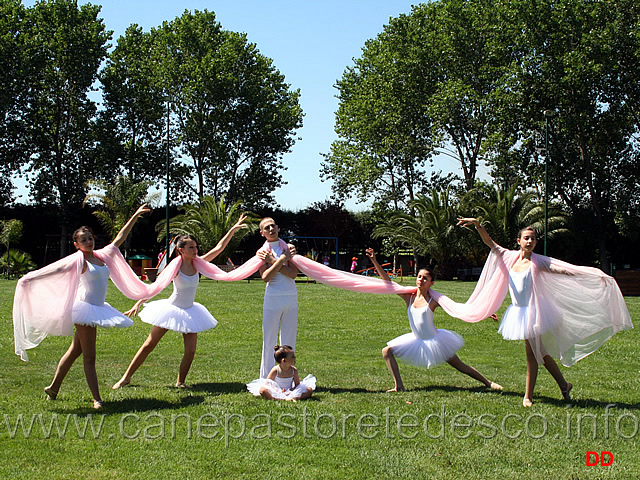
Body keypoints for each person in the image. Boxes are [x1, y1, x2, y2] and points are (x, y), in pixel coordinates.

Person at [456, 217, 633, 407]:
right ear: (519, 241)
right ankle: (565, 385)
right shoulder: (509, 257)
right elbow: (490, 243)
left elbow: (564, 270)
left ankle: (528, 396)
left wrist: (594, 274)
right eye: (526, 238)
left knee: (532, 354)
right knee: (541, 353)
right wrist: (477, 224)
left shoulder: (539, 262)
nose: (530, 241)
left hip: (534, 313)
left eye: (533, 238)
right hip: (518, 313)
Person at [12, 205, 151, 409]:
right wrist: (29, 278)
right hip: (85, 310)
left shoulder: (102, 256)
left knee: (75, 351)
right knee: (89, 357)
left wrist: (135, 216)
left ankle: (53, 388)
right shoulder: (79, 261)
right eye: (83, 239)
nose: (88, 241)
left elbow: (120, 238)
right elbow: (55, 269)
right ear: (76, 244)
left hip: (97, 307)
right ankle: (97, 399)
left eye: (90, 237)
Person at [113, 216, 248, 389]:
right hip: (171, 309)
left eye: (196, 247)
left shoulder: (199, 263)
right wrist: (139, 302)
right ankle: (126, 377)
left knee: (190, 351)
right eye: (191, 247)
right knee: (149, 344)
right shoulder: (175, 267)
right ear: (181, 250)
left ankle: (180, 381)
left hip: (191, 311)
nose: (195, 250)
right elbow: (157, 286)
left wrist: (233, 229)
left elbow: (219, 248)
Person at [366, 248, 503, 393]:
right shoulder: (409, 297)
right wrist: (374, 260)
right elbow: (389, 283)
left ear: (431, 283)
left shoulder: (433, 300)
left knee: (460, 365)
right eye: (419, 277)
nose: (421, 280)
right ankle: (399, 386)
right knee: (387, 351)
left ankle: (488, 383)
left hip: (436, 341)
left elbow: (459, 308)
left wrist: (485, 313)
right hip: (416, 338)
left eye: (425, 278)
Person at [255, 217, 299, 379]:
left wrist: (274, 261)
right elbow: (266, 276)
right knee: (269, 339)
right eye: (267, 228)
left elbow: (293, 274)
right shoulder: (261, 252)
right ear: (262, 233)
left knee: (289, 339)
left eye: (273, 226)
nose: (271, 229)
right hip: (273, 298)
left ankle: (288, 377)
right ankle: (266, 377)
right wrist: (281, 260)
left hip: (290, 297)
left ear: (278, 227)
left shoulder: (289, 248)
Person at [246, 345, 315, 401]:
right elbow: (268, 383)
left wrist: (291, 390)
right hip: (277, 391)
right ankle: (276, 398)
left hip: (289, 391)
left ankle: (293, 397)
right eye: (292, 357)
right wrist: (279, 390)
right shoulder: (275, 370)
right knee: (263, 390)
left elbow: (297, 384)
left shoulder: (294, 370)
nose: (295, 358)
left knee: (309, 390)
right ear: (284, 360)